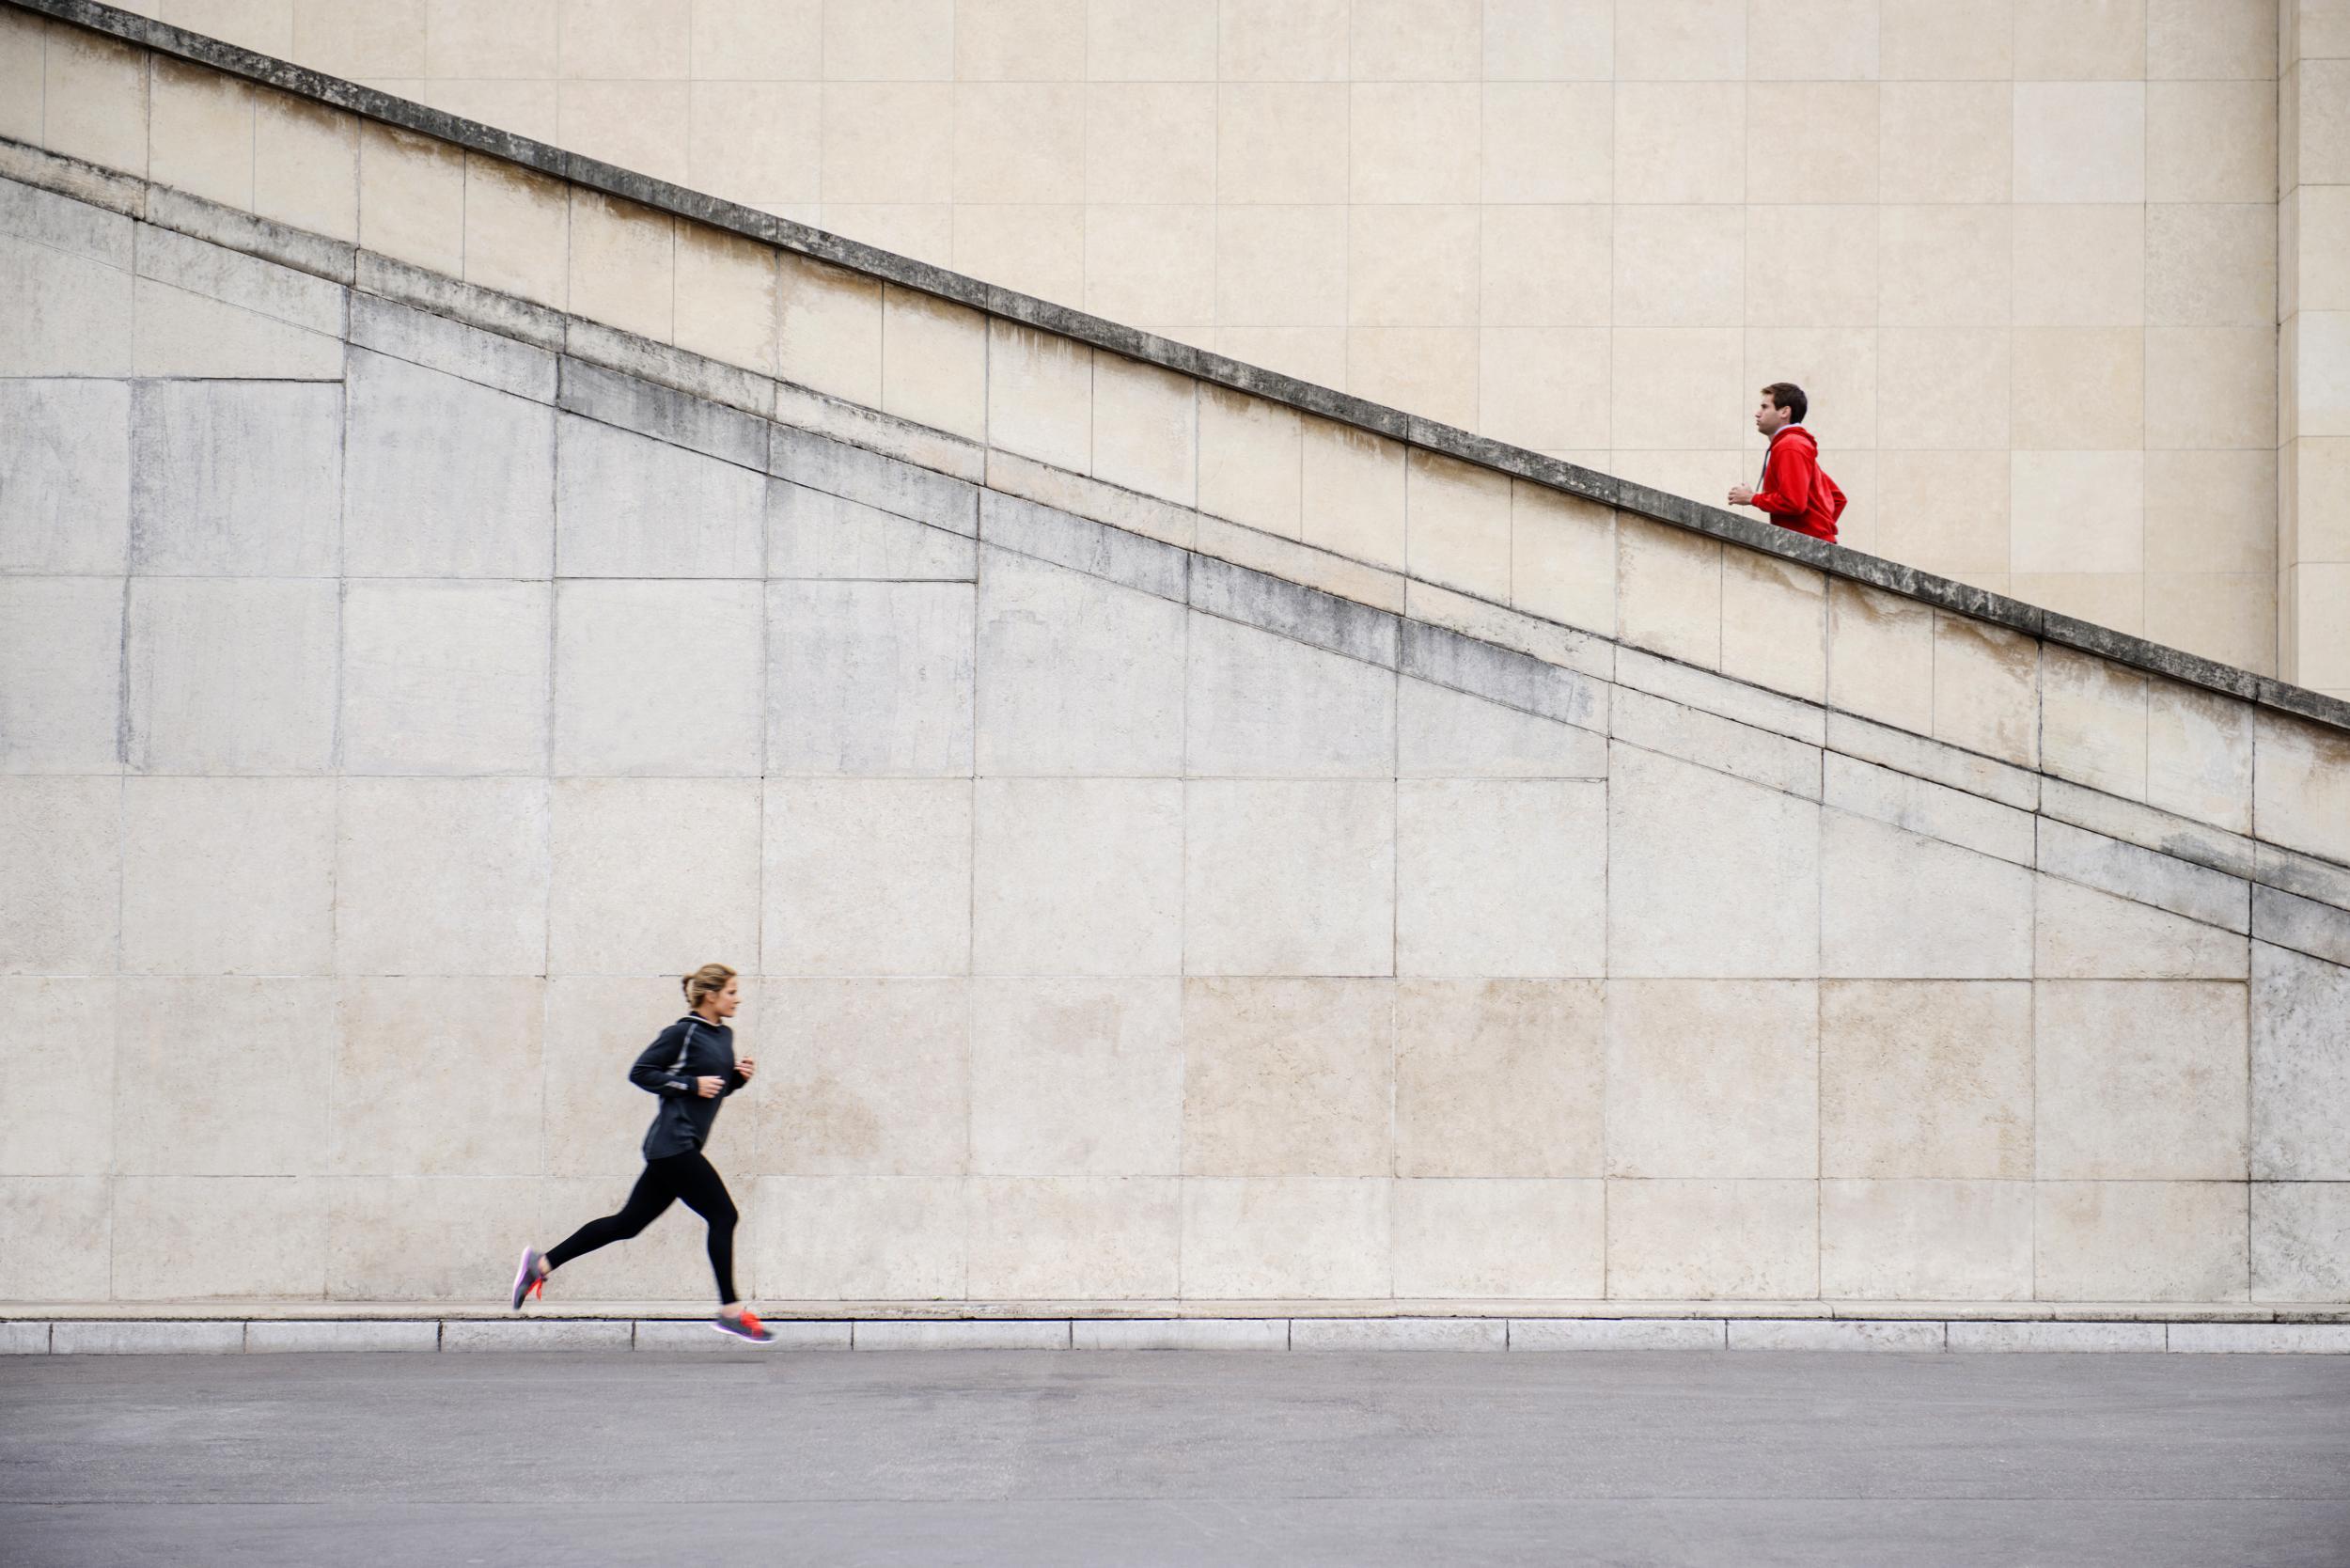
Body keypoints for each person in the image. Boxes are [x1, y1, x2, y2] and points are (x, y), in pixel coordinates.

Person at [511, 963, 776, 1343]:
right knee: (724, 1215)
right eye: (732, 992)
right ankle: (730, 1311)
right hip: (673, 1145)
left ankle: (540, 1264)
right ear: (711, 995)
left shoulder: (724, 1035)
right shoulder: (682, 1033)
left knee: (627, 1224)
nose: (738, 998)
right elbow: (642, 1072)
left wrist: (735, 1080)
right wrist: (688, 1083)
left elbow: (711, 1090)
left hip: (678, 1148)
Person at [1729, 382, 1844, 543]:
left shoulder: (1790, 446)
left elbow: (1794, 503)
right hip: (1811, 545)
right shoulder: (1795, 444)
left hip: (1805, 549)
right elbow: (1837, 497)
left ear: (1784, 411)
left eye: (1765, 407)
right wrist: (1820, 530)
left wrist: (1752, 498)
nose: (1757, 413)